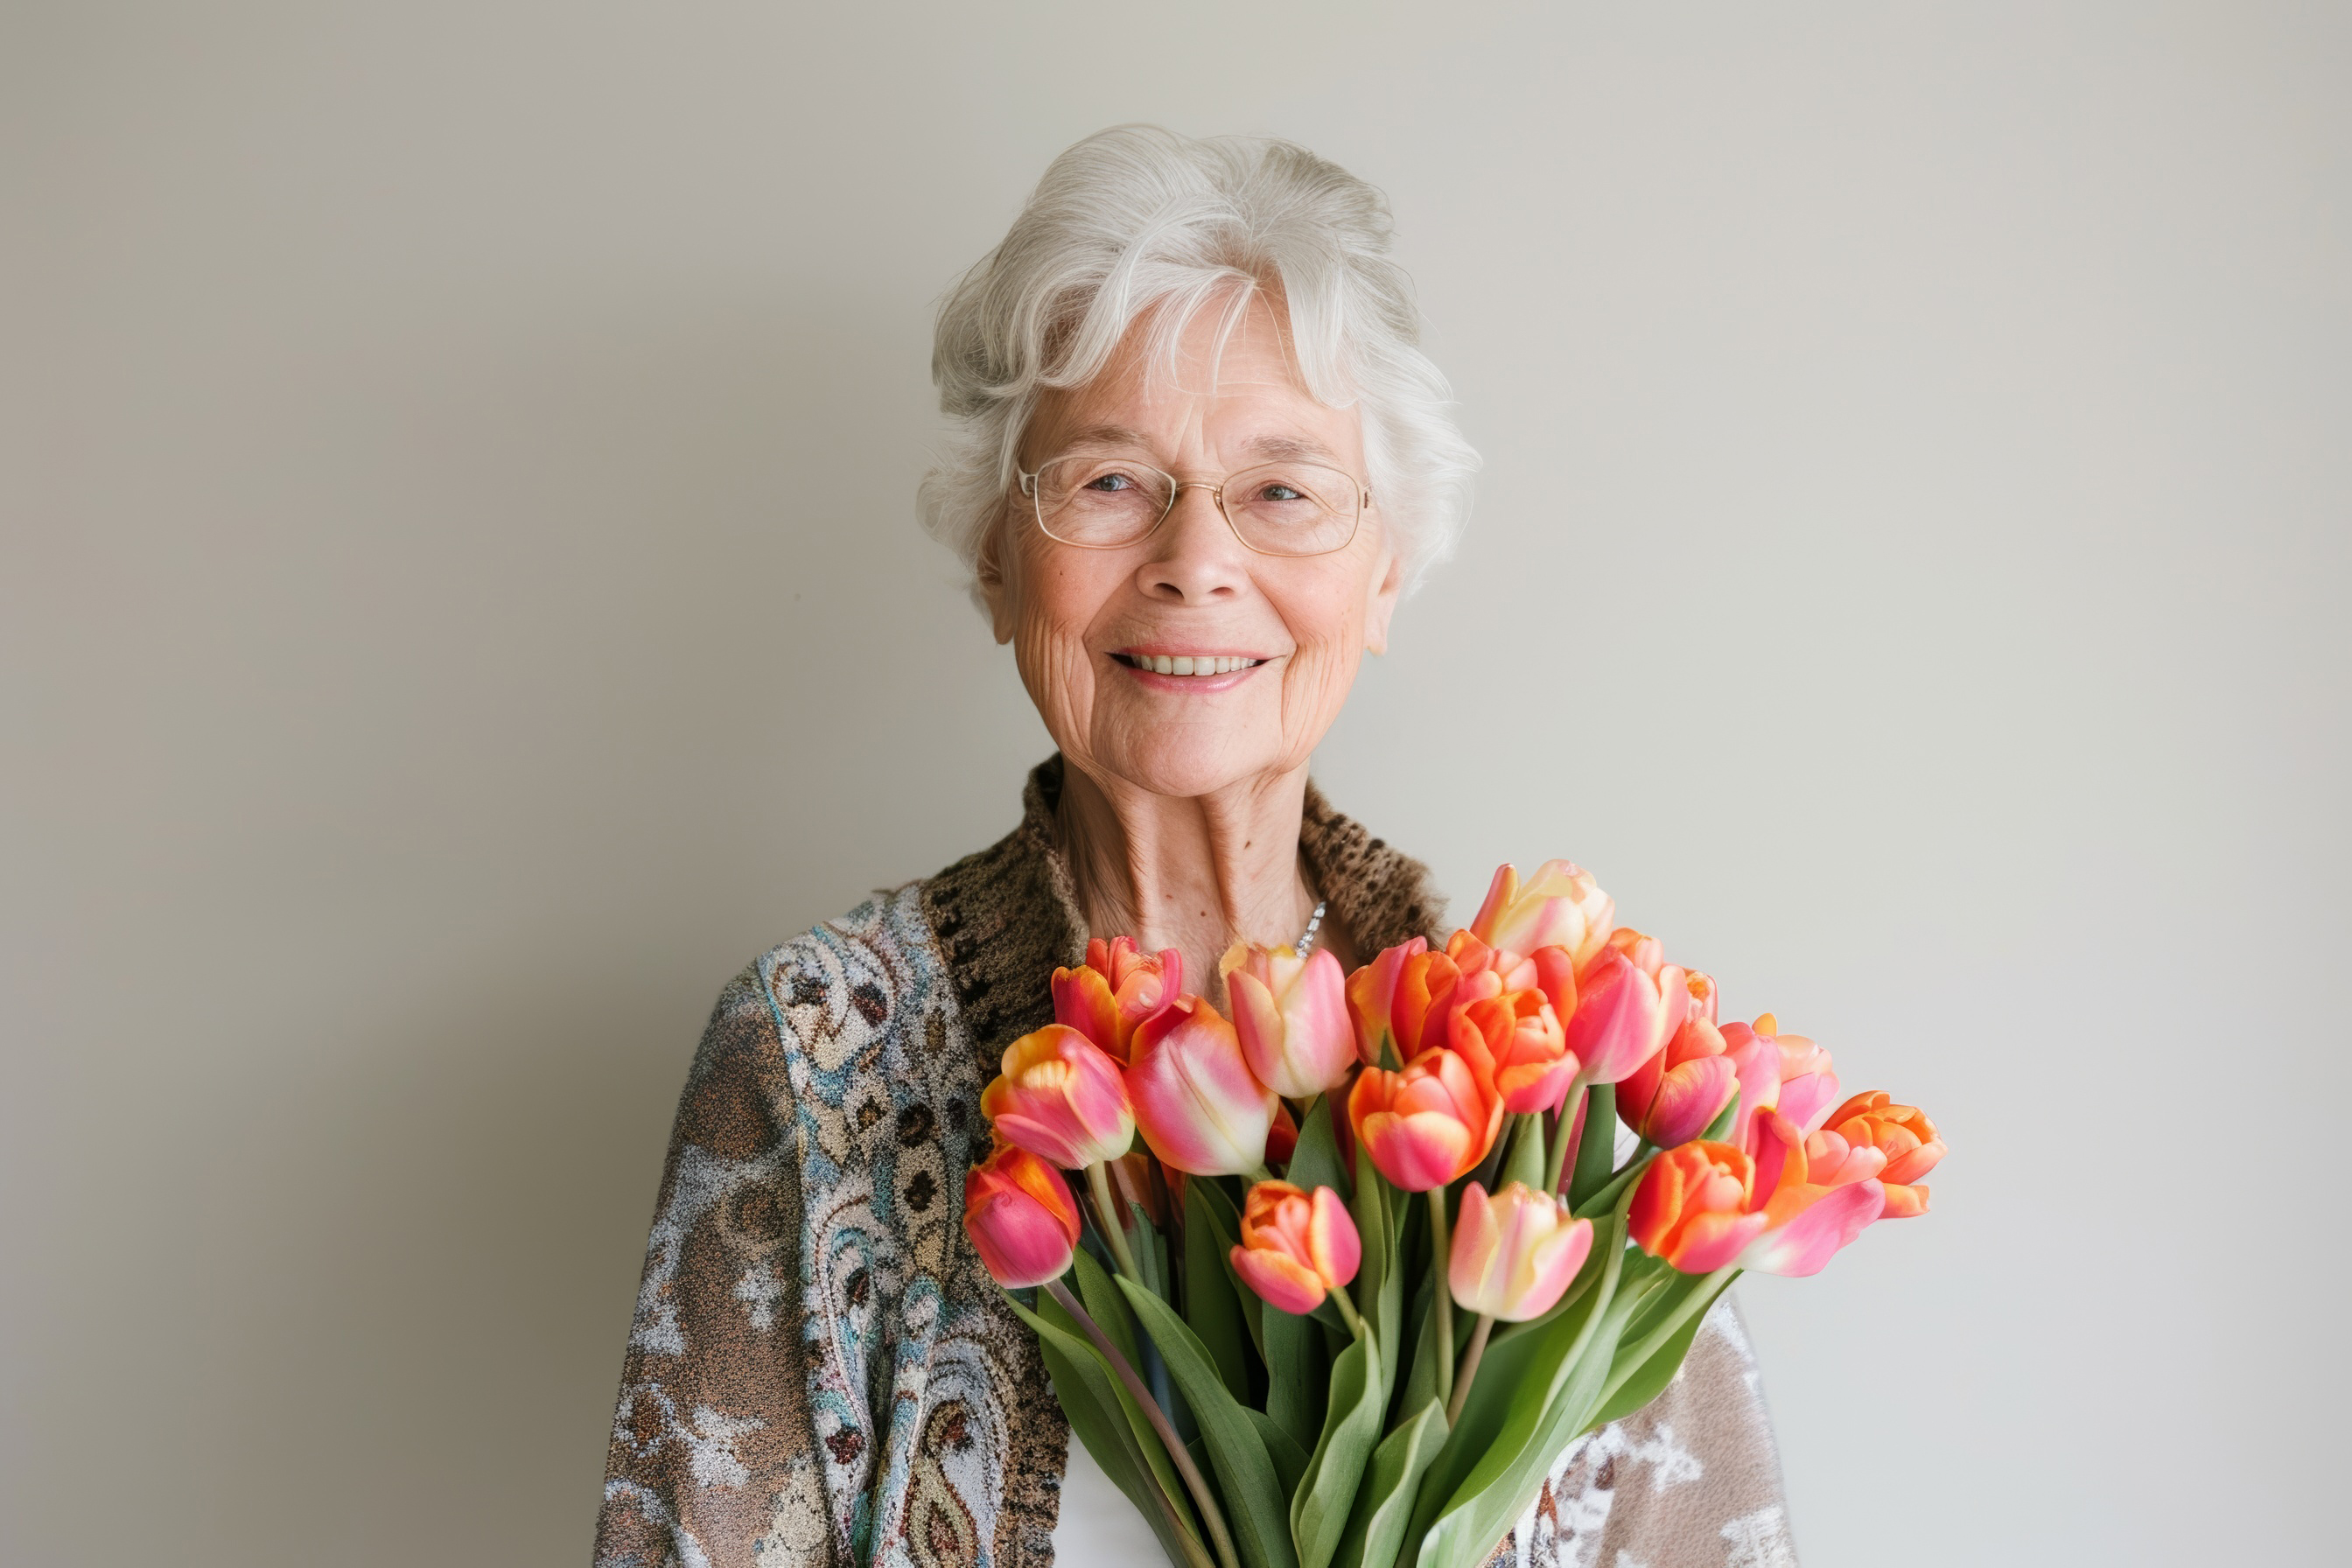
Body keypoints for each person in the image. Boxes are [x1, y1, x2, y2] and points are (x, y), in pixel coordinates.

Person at [593, 125, 1791, 1568]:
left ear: (1387, 570)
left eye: (1283, 491)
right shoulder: (810, 1057)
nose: (1195, 558)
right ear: (995, 555)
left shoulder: (1570, 1067)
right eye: (1108, 481)